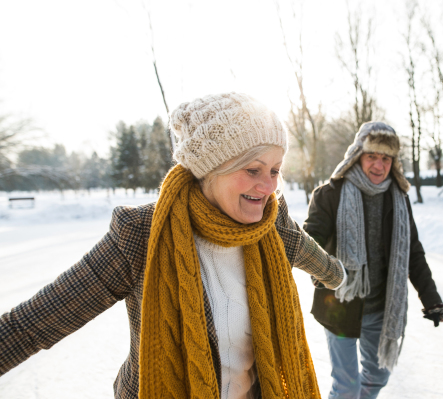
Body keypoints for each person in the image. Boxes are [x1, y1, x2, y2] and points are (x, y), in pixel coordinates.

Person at [0, 93, 347, 399]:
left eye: (275, 170)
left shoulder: (272, 224)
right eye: (253, 169)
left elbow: (310, 254)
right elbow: (33, 323)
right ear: (209, 169)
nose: (268, 186)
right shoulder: (142, 234)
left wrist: (337, 276)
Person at [304, 121, 443, 399]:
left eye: (385, 158)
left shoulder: (398, 198)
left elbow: (413, 252)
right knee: (346, 387)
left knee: (378, 375)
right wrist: (320, 273)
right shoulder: (330, 194)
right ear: (358, 155)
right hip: (339, 304)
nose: (379, 166)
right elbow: (311, 242)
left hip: (382, 309)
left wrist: (431, 298)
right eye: (372, 156)